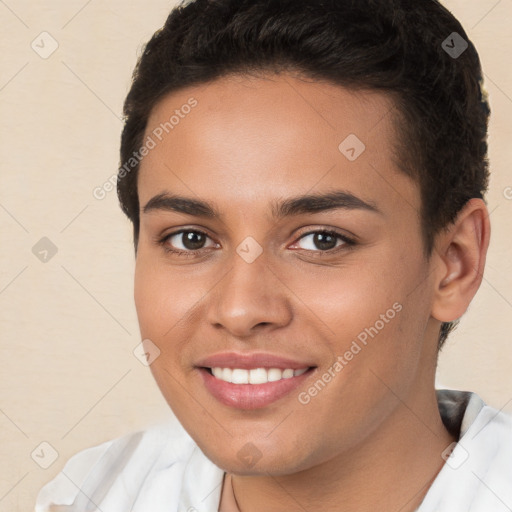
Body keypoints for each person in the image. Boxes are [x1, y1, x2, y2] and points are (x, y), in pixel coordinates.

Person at [35, 0, 512, 511]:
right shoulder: (91, 496)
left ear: (454, 263)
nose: (240, 311)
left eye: (321, 240)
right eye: (191, 239)